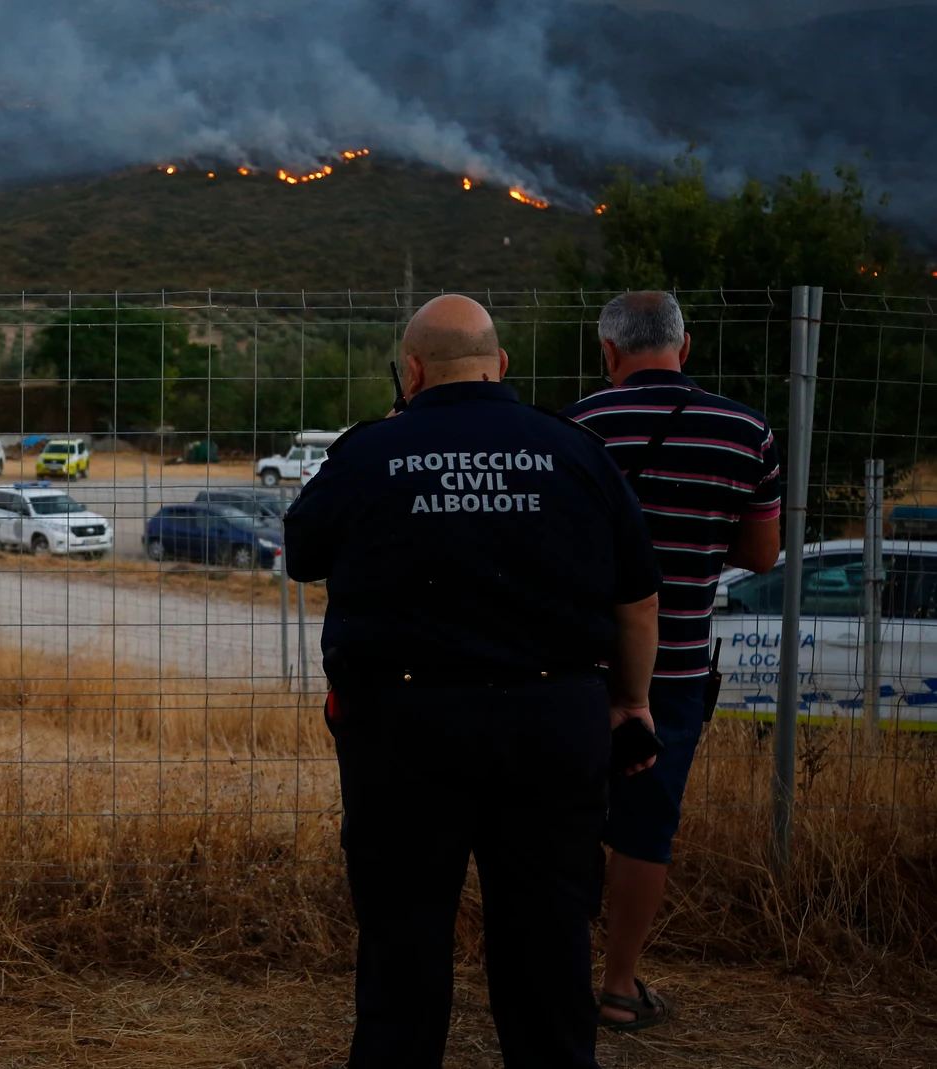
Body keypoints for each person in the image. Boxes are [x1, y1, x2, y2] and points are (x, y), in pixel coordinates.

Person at [285, 294, 663, 1069]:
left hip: (403, 731)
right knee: (549, 939)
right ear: (503, 366)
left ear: (413, 371)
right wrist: (629, 703)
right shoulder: (575, 451)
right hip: (553, 723)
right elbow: (639, 599)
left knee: (403, 938)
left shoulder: (367, 452)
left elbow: (302, 550)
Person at [561, 291, 781, 1031]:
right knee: (645, 829)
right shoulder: (746, 430)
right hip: (678, 671)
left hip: (575, 669)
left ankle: (553, 976)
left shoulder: (579, 428)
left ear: (609, 353)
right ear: (686, 349)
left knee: (561, 822)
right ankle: (619, 986)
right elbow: (761, 553)